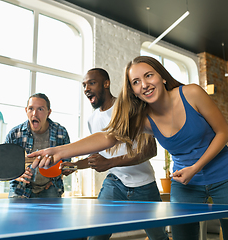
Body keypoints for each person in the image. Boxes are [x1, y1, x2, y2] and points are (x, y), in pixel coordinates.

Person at [28, 56, 228, 240]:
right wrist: (58, 151)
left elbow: (223, 132)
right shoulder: (143, 119)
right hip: (186, 183)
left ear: (162, 76)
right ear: (133, 91)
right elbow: (107, 137)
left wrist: (196, 167)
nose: (144, 84)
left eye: (148, 75)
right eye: (135, 82)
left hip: (224, 176)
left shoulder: (191, 93)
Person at [61, 68, 169, 240]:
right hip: (114, 183)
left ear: (106, 83)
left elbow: (150, 149)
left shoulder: (131, 109)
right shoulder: (92, 120)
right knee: (96, 236)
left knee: (158, 237)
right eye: (84, 85)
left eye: (91, 83)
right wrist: (74, 166)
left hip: (144, 184)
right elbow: (97, 156)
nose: (86, 88)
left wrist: (111, 163)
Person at [6, 93, 71, 198]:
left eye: (40, 109)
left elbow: (66, 162)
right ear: (26, 110)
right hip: (20, 189)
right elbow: (5, 165)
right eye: (31, 109)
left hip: (50, 187)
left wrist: (56, 177)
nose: (34, 114)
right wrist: (17, 175)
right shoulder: (15, 134)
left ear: (49, 112)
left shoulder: (61, 132)